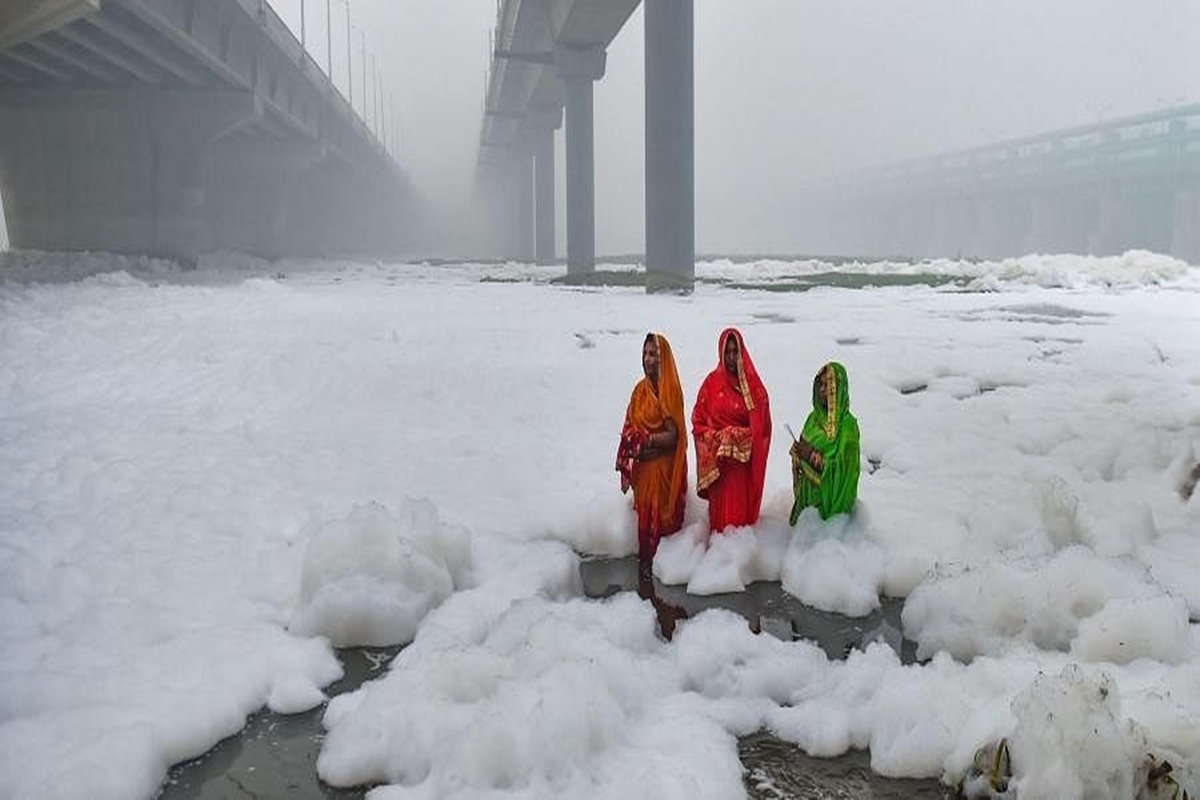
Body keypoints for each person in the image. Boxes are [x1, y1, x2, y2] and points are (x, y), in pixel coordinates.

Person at [616, 333, 688, 561]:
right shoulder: (639, 391)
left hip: (664, 470)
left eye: (653, 354)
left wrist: (647, 440)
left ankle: (664, 568)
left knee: (663, 530)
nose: (648, 359)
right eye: (645, 354)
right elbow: (628, 426)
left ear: (663, 358)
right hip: (644, 468)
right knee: (645, 528)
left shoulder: (670, 390)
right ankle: (646, 569)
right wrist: (634, 443)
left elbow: (674, 435)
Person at [692, 328, 772, 532]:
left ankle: (738, 558)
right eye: (727, 352)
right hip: (720, 468)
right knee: (720, 525)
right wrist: (718, 437)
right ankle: (718, 558)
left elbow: (762, 427)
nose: (730, 357)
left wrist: (740, 436)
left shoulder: (753, 387)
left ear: (741, 352)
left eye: (735, 351)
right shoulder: (711, 384)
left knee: (737, 525)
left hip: (741, 469)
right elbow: (698, 421)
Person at [789, 361, 860, 524]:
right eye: (820, 384)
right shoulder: (812, 419)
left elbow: (845, 473)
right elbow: (803, 448)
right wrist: (798, 452)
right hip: (809, 512)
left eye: (828, 385)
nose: (822, 390)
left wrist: (812, 456)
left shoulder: (847, 427)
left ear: (839, 388)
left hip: (832, 516)